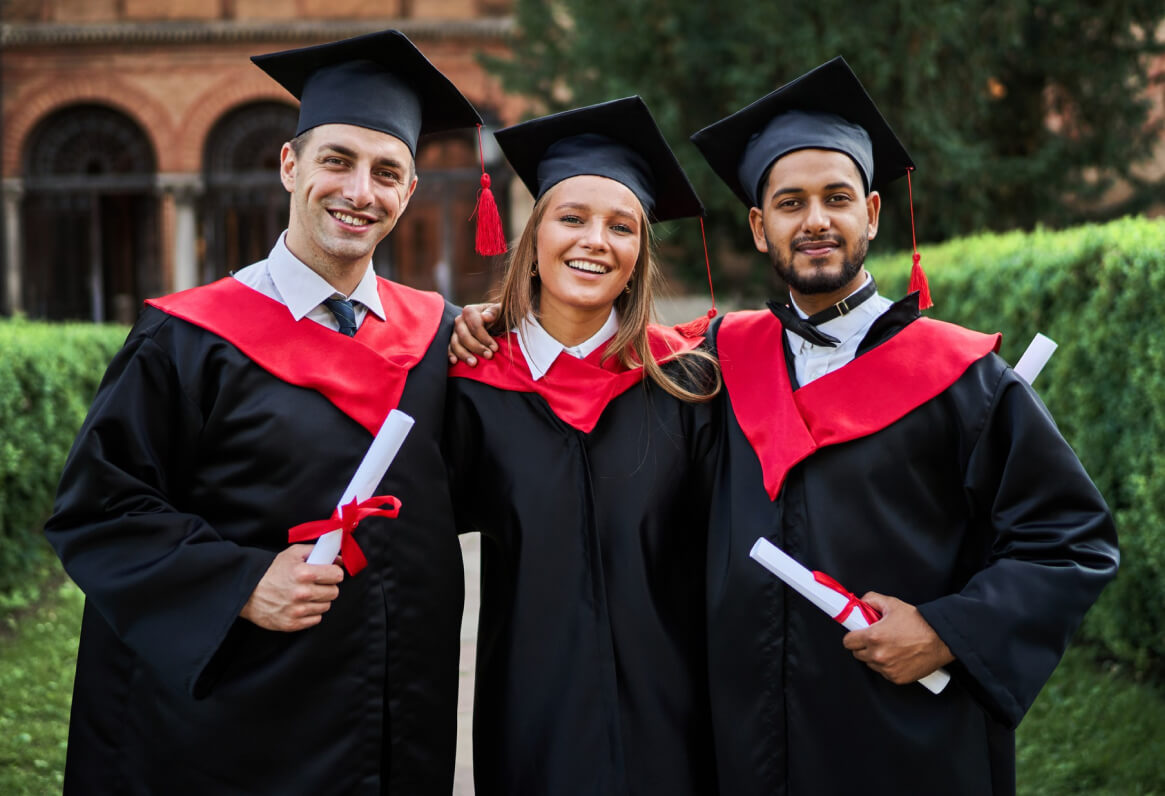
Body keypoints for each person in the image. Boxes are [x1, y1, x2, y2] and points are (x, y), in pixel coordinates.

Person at [44, 30, 480, 795]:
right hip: (235, 724)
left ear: (408, 192)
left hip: (391, 710)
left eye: (386, 172)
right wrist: (241, 582)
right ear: (290, 165)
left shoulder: (438, 337)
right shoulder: (187, 338)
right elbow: (99, 508)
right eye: (336, 161)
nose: (359, 191)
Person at [686, 57, 1119, 795]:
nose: (815, 220)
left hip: (903, 741)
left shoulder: (961, 376)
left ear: (872, 214)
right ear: (760, 228)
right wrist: (488, 325)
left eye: (836, 198)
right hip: (748, 737)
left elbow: (1069, 538)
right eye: (789, 204)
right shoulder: (718, 365)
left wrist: (949, 631)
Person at [442, 97, 721, 796]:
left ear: (638, 253)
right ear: (532, 236)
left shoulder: (689, 388)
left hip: (675, 721)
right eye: (571, 218)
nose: (594, 240)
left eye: (620, 226)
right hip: (529, 719)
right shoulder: (469, 386)